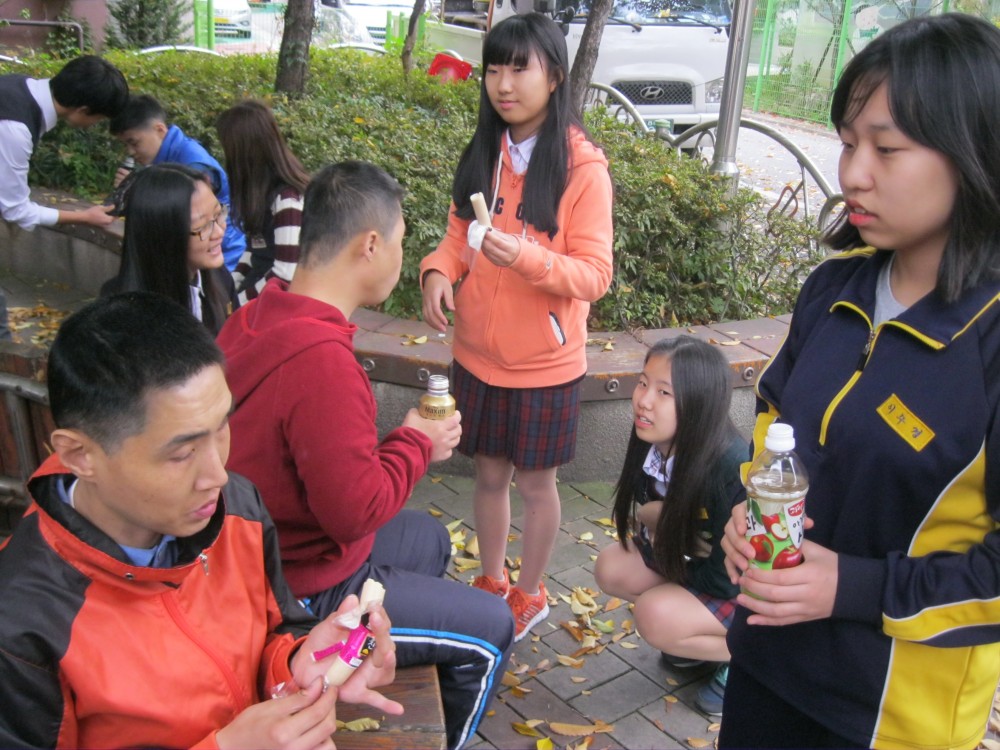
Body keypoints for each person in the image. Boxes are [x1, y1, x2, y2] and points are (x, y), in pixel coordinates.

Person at [719, 14, 1000, 749]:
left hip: (889, 718)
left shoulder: (990, 340)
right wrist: (750, 512)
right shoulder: (832, 291)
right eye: (847, 143)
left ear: (974, 151)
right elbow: (775, 426)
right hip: (765, 664)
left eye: (886, 147)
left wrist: (854, 587)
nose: (852, 174)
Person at [0, 292, 401, 749]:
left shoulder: (238, 509)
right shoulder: (21, 624)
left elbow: (278, 627)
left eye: (223, 427)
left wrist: (299, 661)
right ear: (80, 455)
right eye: (182, 453)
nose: (217, 475)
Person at [217, 161, 515, 750]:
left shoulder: (255, 315)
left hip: (272, 546)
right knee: (492, 628)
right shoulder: (322, 362)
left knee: (429, 539)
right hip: (299, 584)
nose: (402, 257)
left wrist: (407, 446)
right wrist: (417, 442)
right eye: (400, 242)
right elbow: (353, 512)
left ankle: (381, 660)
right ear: (370, 245)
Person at [419, 12, 614, 641]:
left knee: (535, 484)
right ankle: (491, 578)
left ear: (554, 76)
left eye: (519, 69)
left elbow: (595, 275)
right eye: (494, 69)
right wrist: (437, 271)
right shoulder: (486, 150)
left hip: (544, 363)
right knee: (488, 474)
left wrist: (527, 257)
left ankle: (531, 592)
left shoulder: (583, 168)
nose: (503, 84)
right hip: (477, 353)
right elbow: (458, 236)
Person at [594, 336, 745, 716]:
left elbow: (727, 580)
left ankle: (749, 659)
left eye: (664, 392)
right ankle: (697, 641)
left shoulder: (731, 469)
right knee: (612, 566)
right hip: (700, 567)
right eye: (643, 383)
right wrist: (656, 517)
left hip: (746, 594)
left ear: (698, 403)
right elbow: (654, 523)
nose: (644, 400)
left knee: (655, 615)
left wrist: (674, 541)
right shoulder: (654, 441)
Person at [0, 55, 128, 339]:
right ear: (83, 110)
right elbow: (16, 210)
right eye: (99, 119)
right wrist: (84, 217)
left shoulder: (20, 87)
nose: (94, 125)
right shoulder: (16, 127)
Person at [109, 94, 246, 272]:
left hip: (222, 255)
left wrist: (134, 192)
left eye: (133, 142)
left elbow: (177, 214)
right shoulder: (167, 158)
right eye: (125, 145)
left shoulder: (195, 164)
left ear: (159, 129)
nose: (130, 152)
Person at [101, 164, 239, 336]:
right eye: (203, 226)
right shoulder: (122, 316)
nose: (219, 232)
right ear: (164, 235)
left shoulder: (221, 279)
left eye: (218, 214)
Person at [215, 100, 309, 305]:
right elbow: (254, 250)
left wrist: (236, 304)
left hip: (277, 301)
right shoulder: (258, 194)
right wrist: (230, 287)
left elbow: (285, 274)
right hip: (259, 290)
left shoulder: (287, 200)